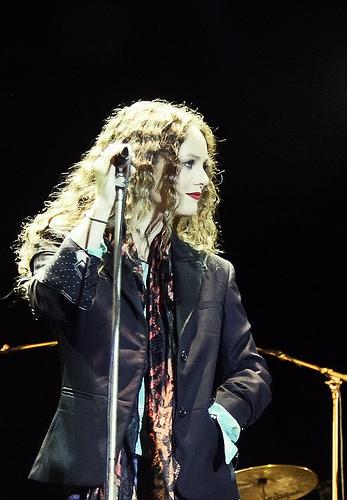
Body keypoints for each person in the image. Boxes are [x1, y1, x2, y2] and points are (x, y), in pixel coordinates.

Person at [12, 99, 272, 499]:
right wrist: (104, 203)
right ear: (147, 167)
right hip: (97, 469)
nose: (204, 178)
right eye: (189, 164)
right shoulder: (75, 245)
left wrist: (217, 420)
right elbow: (51, 299)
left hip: (189, 474)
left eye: (204, 165)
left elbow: (251, 371)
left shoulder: (213, 272)